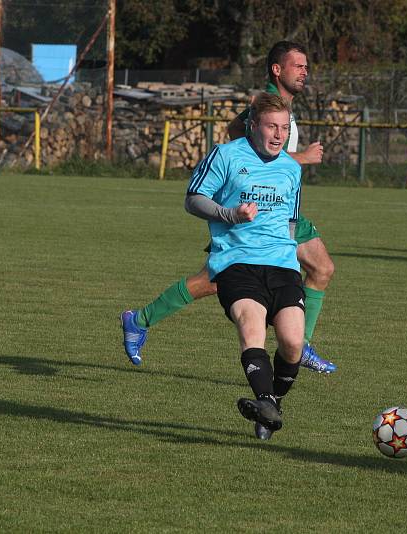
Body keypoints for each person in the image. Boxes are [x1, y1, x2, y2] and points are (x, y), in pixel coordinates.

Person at [121, 41, 336, 373]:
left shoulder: (281, 104)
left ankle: (300, 343)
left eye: (307, 66)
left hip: (278, 208)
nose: (305, 72)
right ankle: (139, 319)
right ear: (277, 70)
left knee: (321, 269)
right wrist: (301, 158)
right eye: (298, 66)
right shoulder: (265, 103)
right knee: (216, 280)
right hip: (255, 209)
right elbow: (243, 141)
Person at [186, 92, 304, 439]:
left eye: (285, 127)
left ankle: (271, 405)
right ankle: (265, 400)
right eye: (272, 126)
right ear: (254, 125)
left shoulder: (292, 169)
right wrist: (229, 214)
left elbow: (292, 222)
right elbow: (193, 199)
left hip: (282, 264)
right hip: (236, 261)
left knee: (293, 342)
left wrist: (291, 248)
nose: (279, 135)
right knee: (251, 327)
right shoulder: (225, 155)